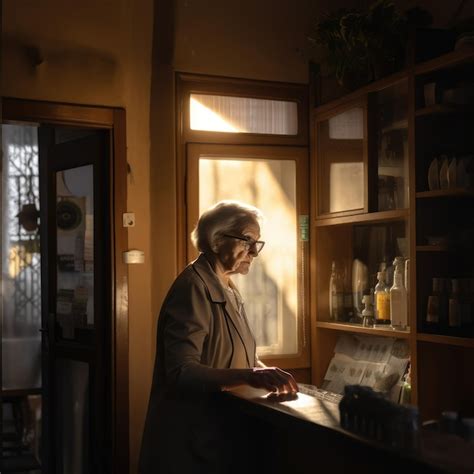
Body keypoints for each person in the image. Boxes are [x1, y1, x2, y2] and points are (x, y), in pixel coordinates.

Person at [139, 200, 298, 474]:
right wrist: (250, 375)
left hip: (218, 433)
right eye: (247, 240)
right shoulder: (193, 287)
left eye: (257, 243)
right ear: (215, 240)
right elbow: (181, 371)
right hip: (191, 436)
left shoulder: (227, 286)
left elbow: (235, 353)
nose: (253, 253)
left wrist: (264, 372)